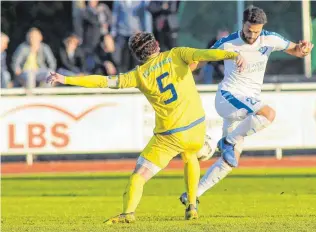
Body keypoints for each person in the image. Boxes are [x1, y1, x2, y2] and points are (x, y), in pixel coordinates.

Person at [47, 32, 245, 222]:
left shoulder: (138, 75)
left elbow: (103, 81)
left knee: (139, 176)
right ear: (157, 45)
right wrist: (232, 54)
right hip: (196, 127)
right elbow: (206, 54)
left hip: (169, 135)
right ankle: (192, 207)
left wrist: (66, 79)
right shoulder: (176, 54)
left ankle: (128, 213)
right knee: (190, 157)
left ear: (137, 55)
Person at [179, 5, 314, 205]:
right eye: (249, 30)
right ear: (243, 24)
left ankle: (193, 195)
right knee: (268, 114)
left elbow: (296, 50)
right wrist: (179, 72)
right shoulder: (227, 43)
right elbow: (200, 60)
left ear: (262, 28)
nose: (252, 35)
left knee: (230, 161)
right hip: (228, 97)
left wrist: (304, 49)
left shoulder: (270, 39)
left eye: (256, 32)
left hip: (244, 105)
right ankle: (228, 142)